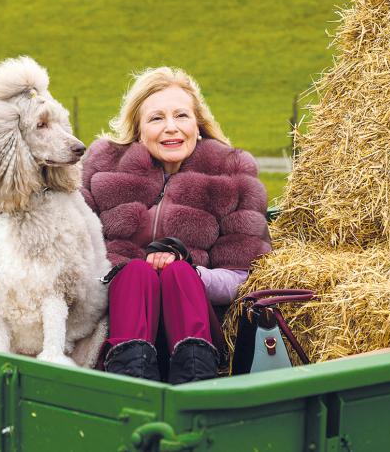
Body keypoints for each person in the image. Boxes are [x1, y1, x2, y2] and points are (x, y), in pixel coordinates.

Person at [81, 67, 271, 384]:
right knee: (136, 272)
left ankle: (194, 381)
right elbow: (73, 254)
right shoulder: (103, 168)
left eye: (181, 116)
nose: (171, 128)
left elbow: (243, 277)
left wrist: (190, 272)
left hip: (198, 325)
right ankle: (130, 376)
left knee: (179, 273)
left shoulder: (230, 174)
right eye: (156, 119)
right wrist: (121, 272)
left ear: (197, 125)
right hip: (113, 323)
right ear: (139, 130)